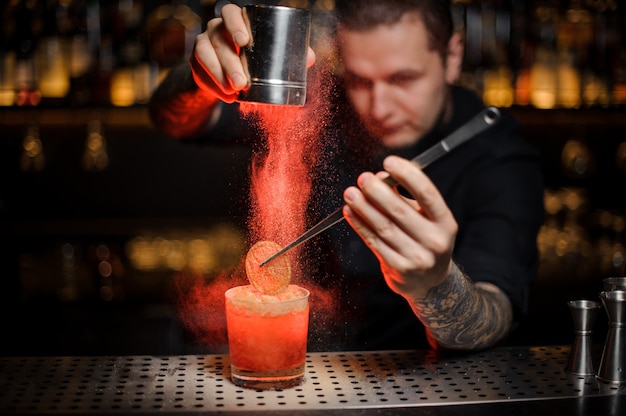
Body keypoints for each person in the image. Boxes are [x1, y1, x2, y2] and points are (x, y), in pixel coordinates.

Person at [149, 0, 544, 352]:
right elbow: (172, 118)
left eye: (403, 79)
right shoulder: (318, 102)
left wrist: (435, 285)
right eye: (359, 80)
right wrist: (203, 78)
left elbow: (492, 319)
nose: (379, 106)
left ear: (452, 55)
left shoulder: (499, 155)